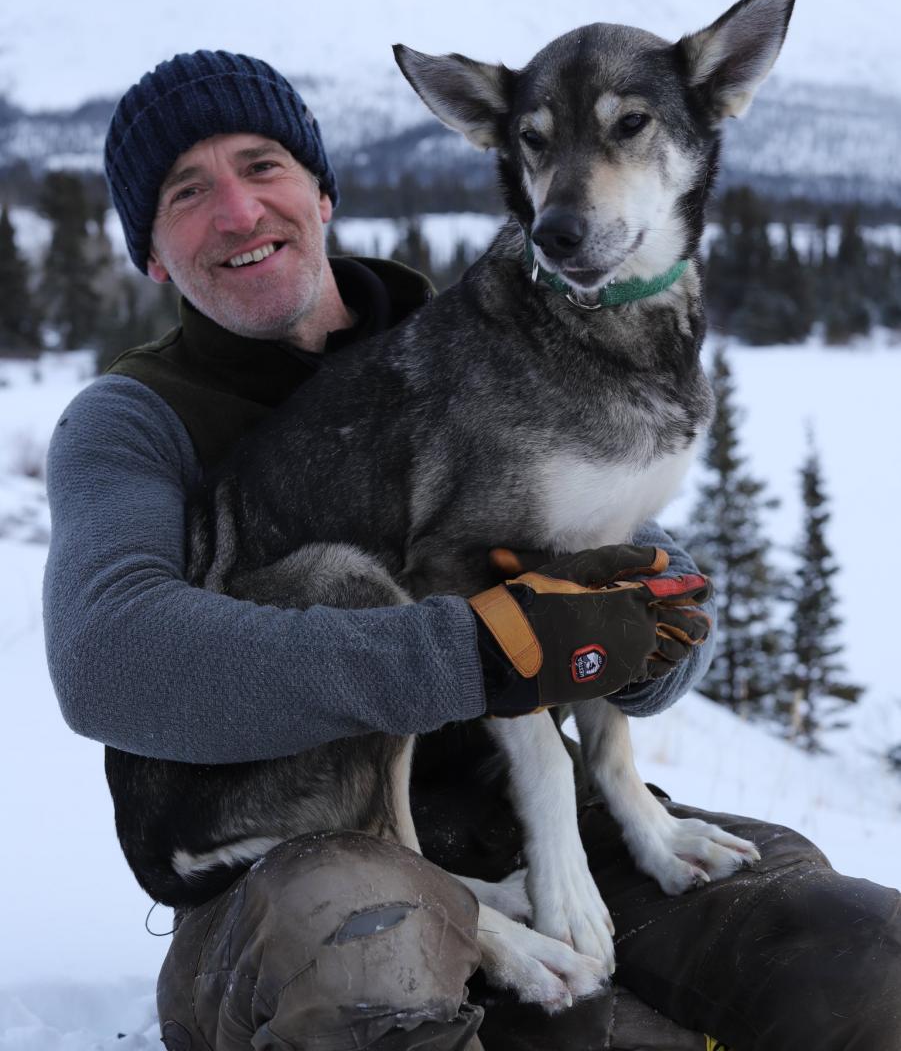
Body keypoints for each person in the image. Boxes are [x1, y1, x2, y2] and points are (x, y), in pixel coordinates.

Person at [43, 51, 901, 1051]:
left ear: (322, 191)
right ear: (149, 254)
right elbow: (108, 657)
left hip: (515, 820)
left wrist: (637, 628)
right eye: (187, 193)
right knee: (375, 961)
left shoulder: (491, 330)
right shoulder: (132, 419)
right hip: (289, 875)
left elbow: (594, 587)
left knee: (853, 958)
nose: (238, 211)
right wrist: (474, 653)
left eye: (262, 164)